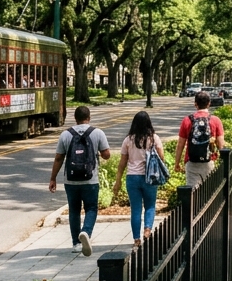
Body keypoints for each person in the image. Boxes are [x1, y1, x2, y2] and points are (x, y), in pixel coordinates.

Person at [49, 105, 112, 256]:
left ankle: (76, 244)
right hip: (91, 180)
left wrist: (53, 178)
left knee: (74, 210)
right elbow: (107, 154)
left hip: (70, 181)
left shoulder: (65, 134)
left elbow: (59, 158)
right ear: (89, 118)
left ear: (75, 119)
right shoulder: (97, 133)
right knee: (91, 208)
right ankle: (86, 232)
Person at [112, 111, 168, 247]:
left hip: (132, 177)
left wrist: (118, 180)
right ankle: (147, 229)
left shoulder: (128, 140)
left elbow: (122, 162)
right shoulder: (154, 138)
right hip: (150, 177)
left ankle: (136, 239)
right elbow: (162, 157)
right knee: (150, 205)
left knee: (135, 209)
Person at [175, 91, 226, 188]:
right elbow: (221, 145)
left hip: (191, 162)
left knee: (193, 193)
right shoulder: (215, 120)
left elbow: (180, 144)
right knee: (209, 193)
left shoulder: (187, 120)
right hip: (210, 161)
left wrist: (177, 163)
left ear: (195, 104)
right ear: (209, 103)